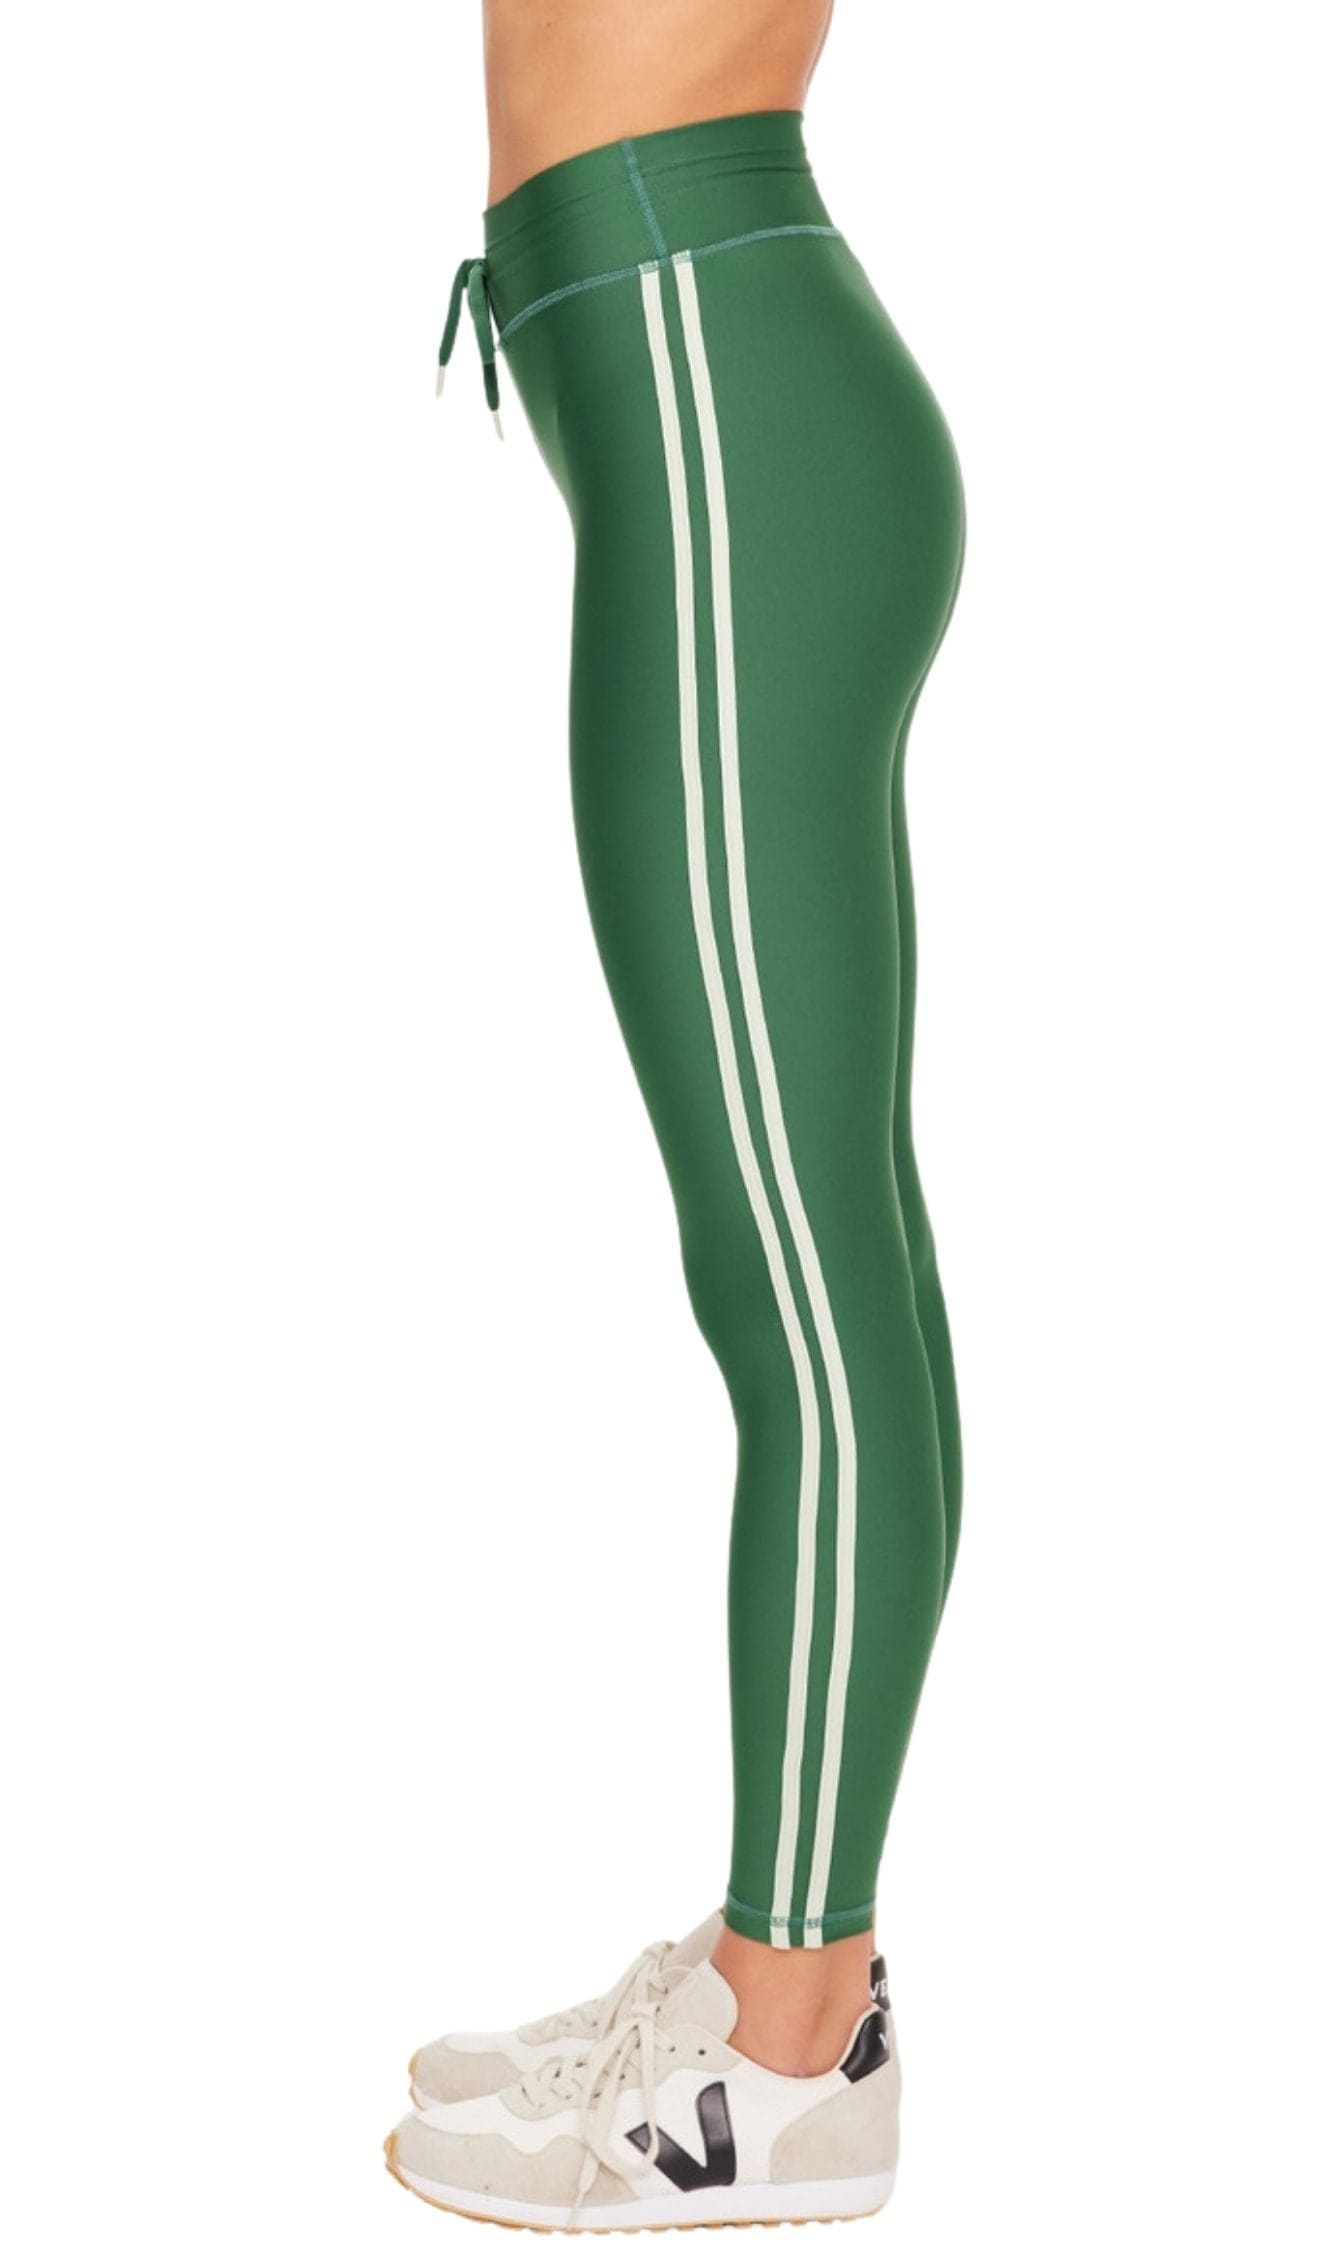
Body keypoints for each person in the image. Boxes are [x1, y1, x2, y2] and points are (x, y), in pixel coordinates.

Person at [386, 1, 966, 2229]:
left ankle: (788, 2053)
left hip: (719, 396)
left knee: (796, 1288)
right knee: (836, 1260)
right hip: (704, 385)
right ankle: (777, 1968)